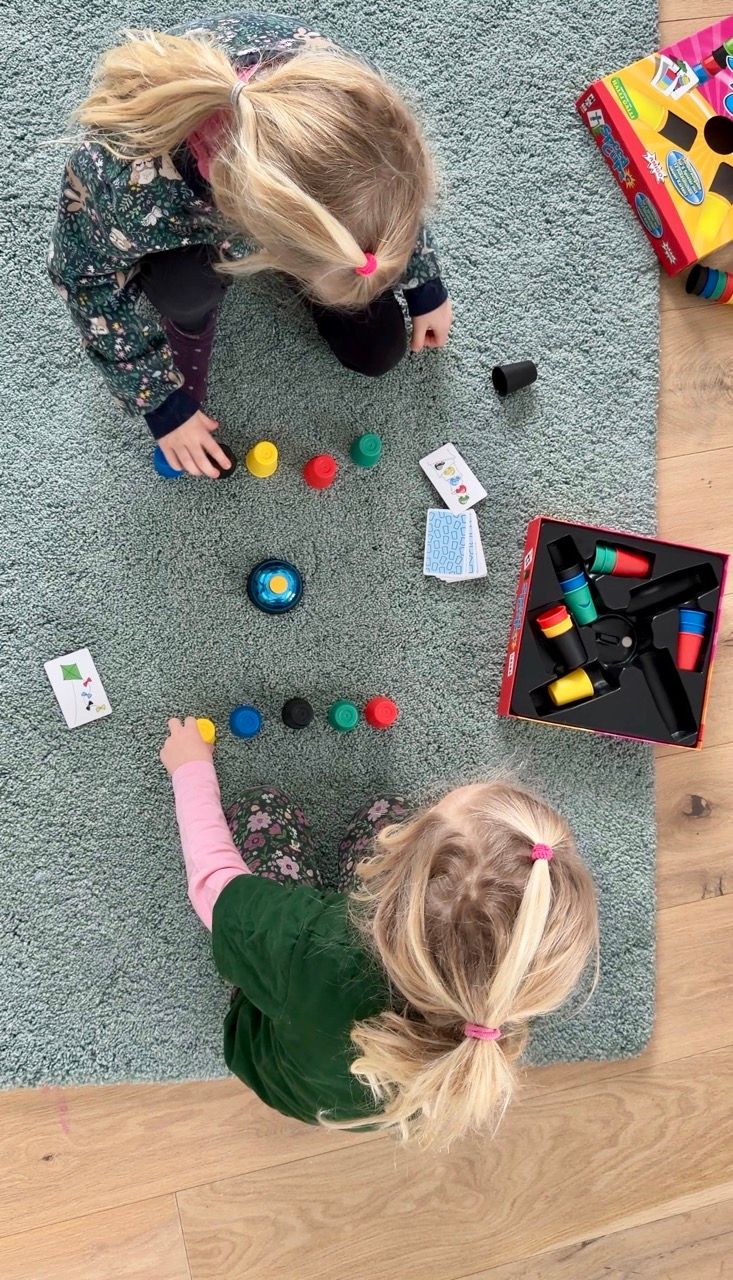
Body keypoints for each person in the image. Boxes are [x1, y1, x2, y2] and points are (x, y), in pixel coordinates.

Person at [160, 717, 599, 1147]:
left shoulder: (310, 942)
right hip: (371, 1098)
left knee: (264, 807)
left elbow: (214, 884)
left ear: (400, 890)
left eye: (430, 816)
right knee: (389, 813)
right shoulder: (511, 981)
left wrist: (190, 771)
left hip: (279, 1066)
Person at [48, 14, 452, 478]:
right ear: (267, 238)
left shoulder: (353, 101)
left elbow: (385, 190)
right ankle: (193, 320)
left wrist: (422, 279)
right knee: (185, 292)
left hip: (268, 192)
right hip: (178, 221)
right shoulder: (120, 181)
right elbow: (83, 279)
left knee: (378, 348)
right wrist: (160, 400)